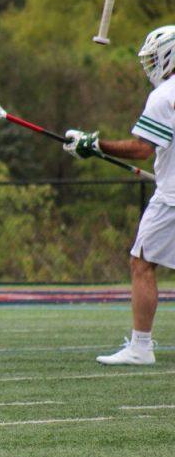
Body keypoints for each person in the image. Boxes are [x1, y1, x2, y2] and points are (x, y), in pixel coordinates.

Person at [65, 26, 175, 365]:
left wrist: (95, 144)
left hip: (172, 199)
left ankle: (141, 347)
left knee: (142, 263)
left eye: (154, 58)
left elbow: (142, 148)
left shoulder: (164, 96)